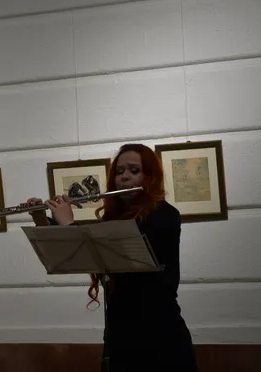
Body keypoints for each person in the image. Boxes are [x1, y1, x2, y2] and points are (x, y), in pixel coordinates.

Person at [24, 143, 199, 371]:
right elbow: (78, 254)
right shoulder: (114, 219)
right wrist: (41, 218)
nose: (124, 177)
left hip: (159, 337)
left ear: (150, 177)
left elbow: (130, 272)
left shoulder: (164, 216)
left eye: (134, 171)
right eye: (119, 171)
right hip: (121, 336)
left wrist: (69, 225)